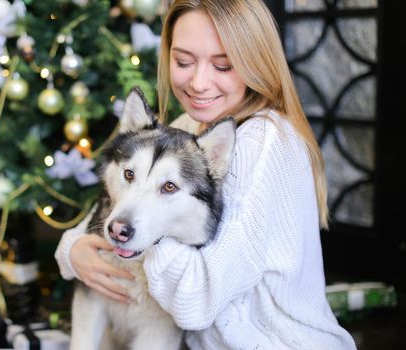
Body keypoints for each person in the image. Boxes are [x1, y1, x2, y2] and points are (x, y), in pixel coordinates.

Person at [56, 0, 357, 348]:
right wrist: (74, 250)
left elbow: (195, 302)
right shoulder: (191, 127)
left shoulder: (263, 142)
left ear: (254, 63)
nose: (199, 83)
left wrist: (148, 227)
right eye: (183, 61)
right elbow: (113, 212)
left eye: (223, 65)